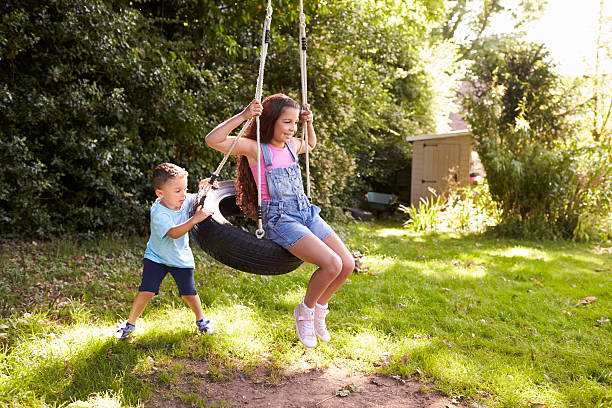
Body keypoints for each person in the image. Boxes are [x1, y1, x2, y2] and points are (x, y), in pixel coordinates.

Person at [205, 93, 354, 348]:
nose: (292, 128)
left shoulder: (292, 145)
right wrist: (244, 116)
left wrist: (309, 124)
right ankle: (304, 312)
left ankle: (319, 309)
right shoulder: (255, 149)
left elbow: (311, 144)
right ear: (271, 120)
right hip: (281, 218)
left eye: (295, 123)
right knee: (331, 264)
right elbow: (213, 140)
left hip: (305, 211)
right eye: (287, 122)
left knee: (347, 264)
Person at [115, 163, 216, 339]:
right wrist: (194, 220)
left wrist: (204, 186)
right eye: (178, 191)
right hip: (156, 258)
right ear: (160, 194)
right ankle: (130, 324)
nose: (183, 194)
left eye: (185, 189)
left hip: (181, 259)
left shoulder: (183, 200)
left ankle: (201, 320)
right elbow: (174, 233)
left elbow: (199, 197)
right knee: (146, 291)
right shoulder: (159, 212)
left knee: (189, 293)